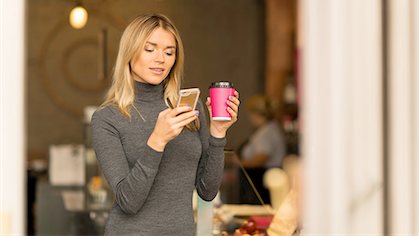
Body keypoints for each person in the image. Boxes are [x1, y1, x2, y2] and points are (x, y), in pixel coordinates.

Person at [91, 14, 240, 235]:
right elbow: (128, 202)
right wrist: (157, 140)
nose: (161, 58)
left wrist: (218, 133)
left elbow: (207, 191)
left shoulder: (189, 107)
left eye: (169, 52)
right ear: (129, 53)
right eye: (150, 49)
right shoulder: (107, 118)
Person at [238, 95, 286, 204]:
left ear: (256, 114)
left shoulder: (267, 132)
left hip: (264, 179)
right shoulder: (267, 129)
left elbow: (261, 158)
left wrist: (239, 163)